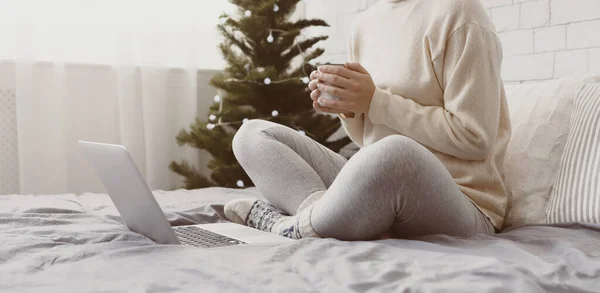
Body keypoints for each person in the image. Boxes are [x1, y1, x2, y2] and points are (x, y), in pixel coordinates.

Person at [223, 0, 511, 240]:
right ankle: (316, 218)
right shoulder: (365, 24)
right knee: (251, 135)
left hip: (463, 205)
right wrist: (350, 109)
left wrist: (376, 101)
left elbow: (476, 139)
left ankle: (292, 227)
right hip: (381, 182)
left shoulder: (461, 15)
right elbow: (366, 141)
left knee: (395, 152)